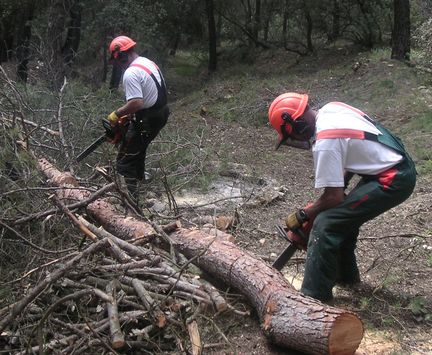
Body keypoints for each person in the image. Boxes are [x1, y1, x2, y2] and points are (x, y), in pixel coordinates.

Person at [268, 93, 416, 303]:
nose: (296, 140)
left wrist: (303, 215)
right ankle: (345, 276)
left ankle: (314, 297)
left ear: (299, 125)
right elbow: (345, 165)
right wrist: (325, 203)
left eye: (293, 136)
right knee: (340, 217)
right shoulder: (332, 109)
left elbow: (333, 197)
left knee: (325, 224)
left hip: (392, 179)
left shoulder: (325, 142)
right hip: (390, 166)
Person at [107, 35, 169, 203]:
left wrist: (117, 114)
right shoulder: (146, 62)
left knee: (124, 161)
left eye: (117, 61)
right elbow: (147, 95)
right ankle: (139, 190)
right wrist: (130, 115)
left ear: (120, 56)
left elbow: (136, 102)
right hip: (160, 113)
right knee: (137, 151)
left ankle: (130, 204)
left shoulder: (131, 72)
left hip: (148, 120)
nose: (118, 65)